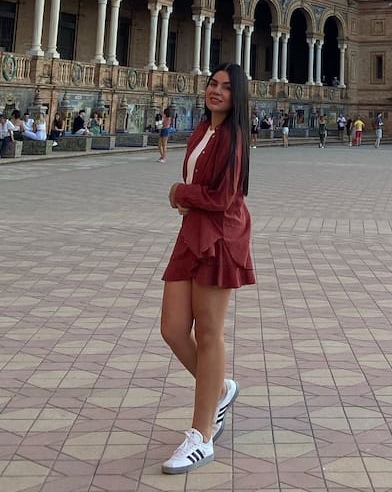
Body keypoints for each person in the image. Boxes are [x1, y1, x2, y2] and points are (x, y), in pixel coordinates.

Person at [159, 62, 255, 474]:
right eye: (212, 84)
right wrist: (185, 198)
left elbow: (220, 198)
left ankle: (201, 437)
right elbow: (202, 192)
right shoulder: (202, 130)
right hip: (191, 231)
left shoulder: (234, 137)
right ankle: (220, 389)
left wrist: (179, 192)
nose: (216, 91)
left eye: (226, 87)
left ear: (238, 97)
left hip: (219, 236)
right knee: (173, 328)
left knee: (209, 332)